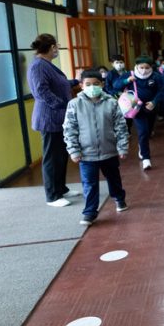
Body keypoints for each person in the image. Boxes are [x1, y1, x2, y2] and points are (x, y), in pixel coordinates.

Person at [63, 69, 130, 226]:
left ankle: (119, 199)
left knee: (114, 178)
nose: (92, 87)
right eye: (88, 84)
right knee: (89, 184)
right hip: (86, 155)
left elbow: (120, 126)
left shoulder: (112, 103)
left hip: (110, 152)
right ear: (81, 86)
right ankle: (90, 212)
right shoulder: (74, 104)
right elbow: (69, 129)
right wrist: (73, 150)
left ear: (102, 84)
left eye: (96, 84)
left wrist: (122, 147)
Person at [26, 33, 82, 207]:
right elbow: (41, 92)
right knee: (52, 157)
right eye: (56, 46)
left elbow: (60, 84)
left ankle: (61, 188)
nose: (57, 49)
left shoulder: (47, 65)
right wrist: (61, 105)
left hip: (59, 118)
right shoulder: (38, 66)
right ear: (51, 48)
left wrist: (76, 81)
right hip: (49, 118)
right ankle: (52, 196)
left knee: (61, 156)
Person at [114, 56, 163, 170]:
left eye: (147, 67)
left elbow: (162, 90)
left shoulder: (156, 76)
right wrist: (126, 81)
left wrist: (154, 101)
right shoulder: (129, 74)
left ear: (151, 67)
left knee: (149, 131)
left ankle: (142, 145)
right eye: (141, 67)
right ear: (136, 66)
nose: (144, 70)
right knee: (143, 131)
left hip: (151, 108)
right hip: (136, 108)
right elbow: (116, 85)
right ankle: (146, 158)